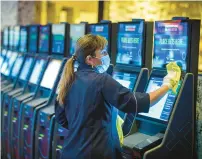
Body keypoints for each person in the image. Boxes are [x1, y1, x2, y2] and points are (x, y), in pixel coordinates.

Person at [55, 34, 178, 159]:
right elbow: (136, 103)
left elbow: (62, 118)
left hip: (71, 151)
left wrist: (86, 126)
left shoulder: (68, 80)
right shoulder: (100, 80)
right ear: (89, 59)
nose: (106, 56)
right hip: (96, 154)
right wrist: (167, 85)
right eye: (102, 52)